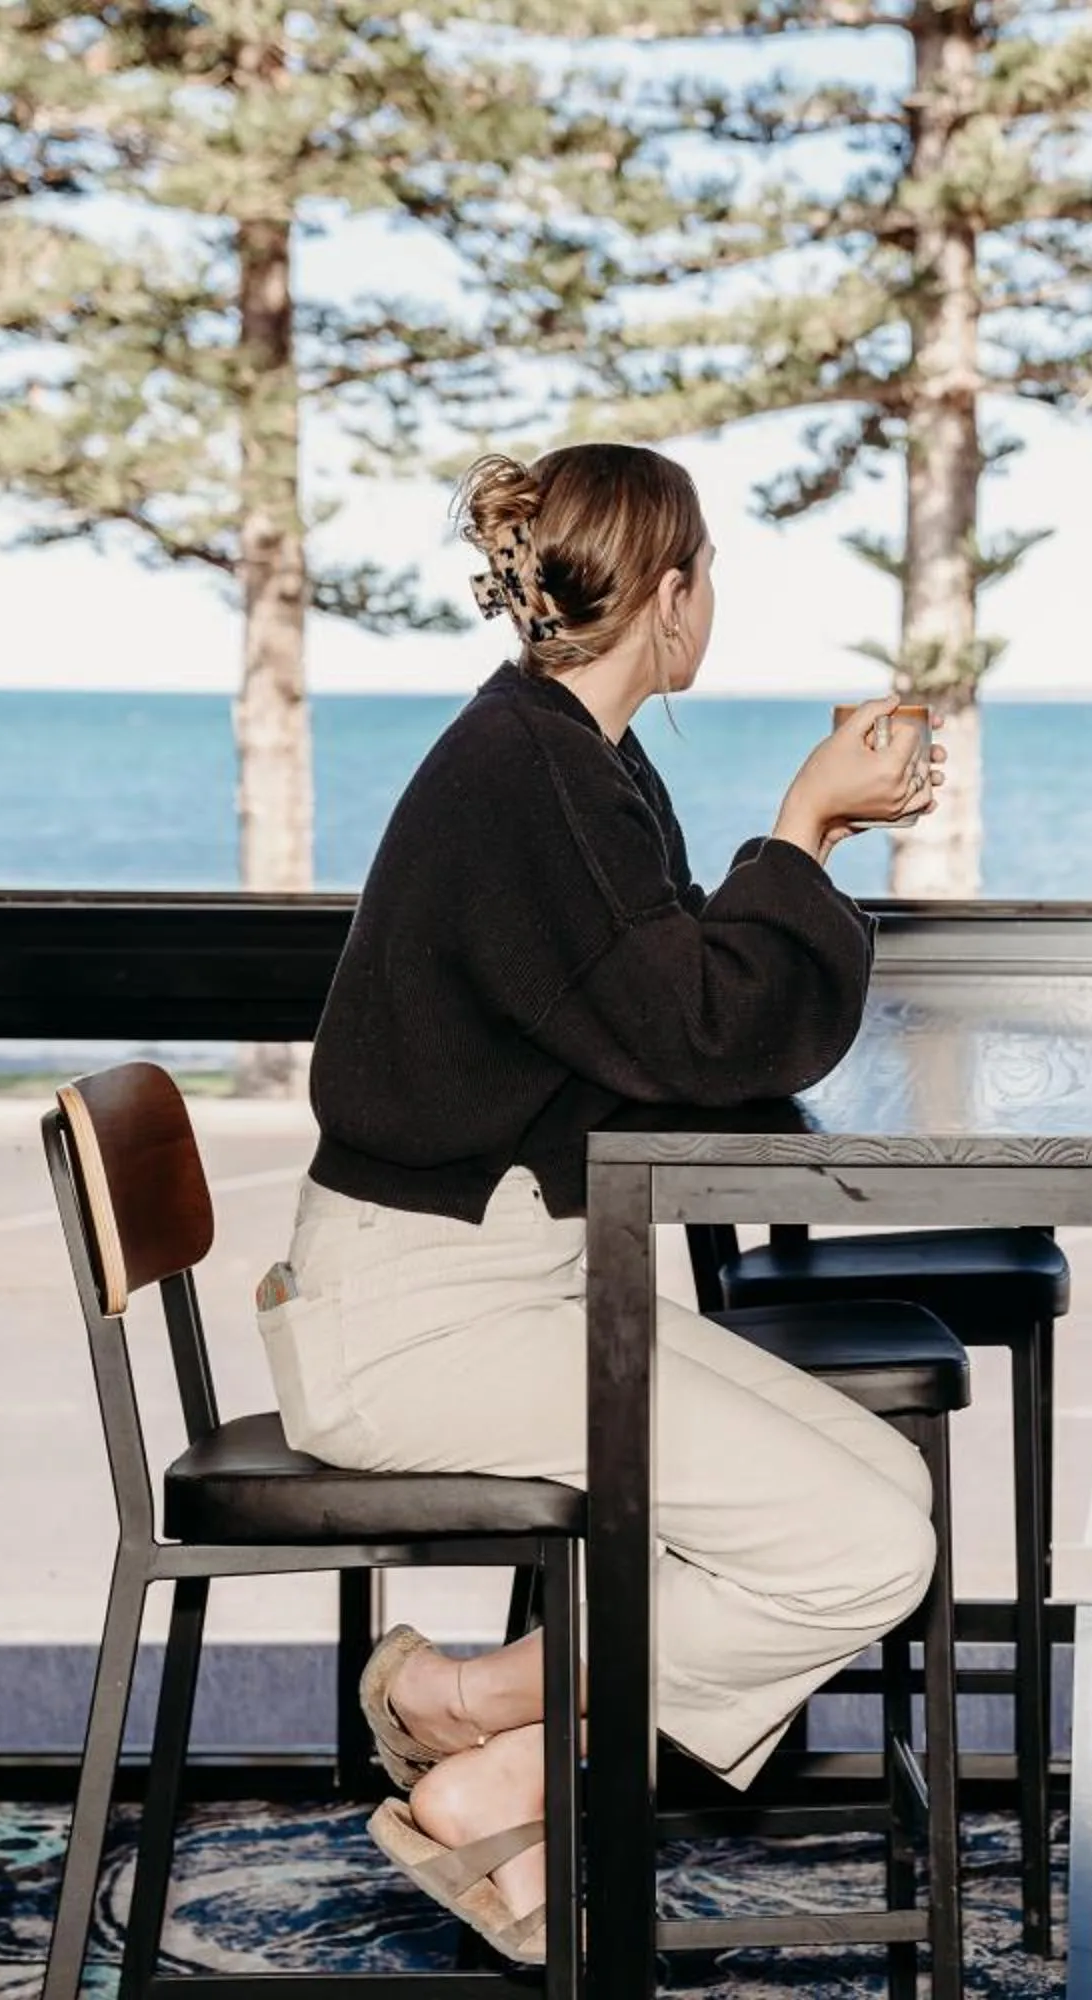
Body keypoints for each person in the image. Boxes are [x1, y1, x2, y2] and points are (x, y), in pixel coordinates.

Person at [252, 442, 946, 1962]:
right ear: (675, 597)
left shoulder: (564, 756)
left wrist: (801, 840)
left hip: (499, 1288)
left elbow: (668, 999)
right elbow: (704, 1029)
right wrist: (807, 826)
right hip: (416, 1323)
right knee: (860, 1551)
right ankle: (497, 1764)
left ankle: (473, 1705)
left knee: (893, 1516)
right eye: (712, 577)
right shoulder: (535, 772)